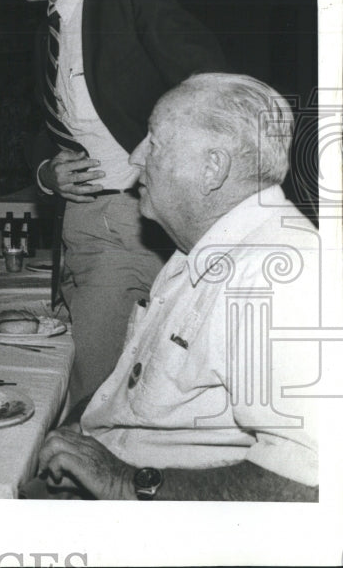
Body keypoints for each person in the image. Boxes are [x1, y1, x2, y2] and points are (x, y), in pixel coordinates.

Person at [35, 74, 319, 501]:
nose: (135, 157)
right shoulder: (198, 249)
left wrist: (119, 481)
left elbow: (310, 484)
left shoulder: (279, 275)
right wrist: (80, 421)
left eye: (154, 142)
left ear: (213, 168)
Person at [1, 0, 226, 401]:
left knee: (87, 394)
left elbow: (211, 87)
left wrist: (161, 162)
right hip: (79, 226)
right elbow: (46, 129)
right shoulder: (45, 33)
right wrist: (47, 171)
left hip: (131, 222)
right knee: (97, 383)